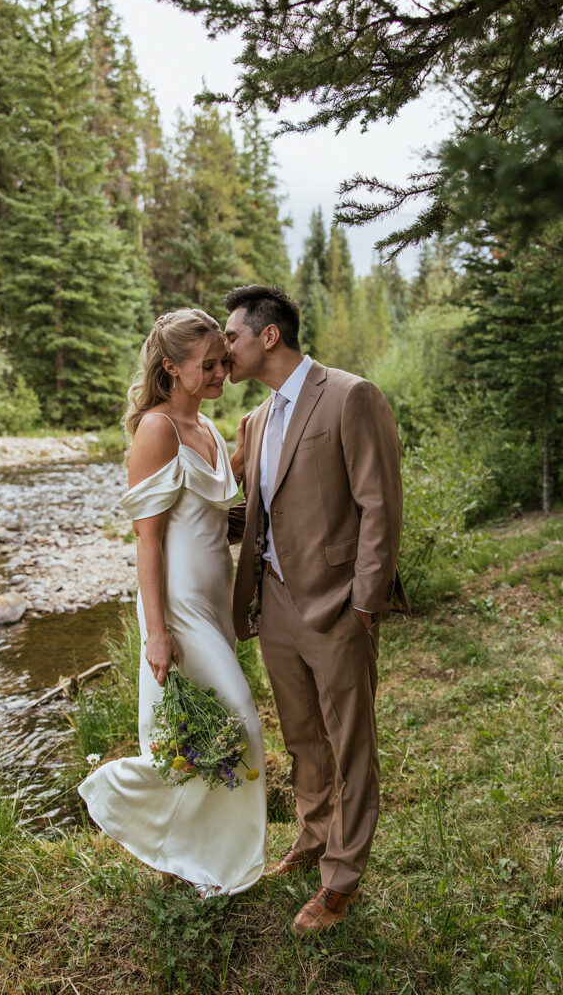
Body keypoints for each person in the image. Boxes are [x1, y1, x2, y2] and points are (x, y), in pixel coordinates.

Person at [224, 285, 409, 936]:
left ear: (268, 335)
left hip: (337, 604)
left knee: (349, 741)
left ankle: (341, 879)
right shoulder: (254, 420)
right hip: (273, 602)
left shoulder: (350, 396)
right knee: (302, 736)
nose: (225, 348)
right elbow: (256, 515)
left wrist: (363, 604)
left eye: (232, 336)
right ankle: (312, 835)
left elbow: (379, 504)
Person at [78, 309, 266, 897]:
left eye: (222, 362)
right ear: (170, 367)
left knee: (207, 732)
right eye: (207, 366)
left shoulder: (205, 425)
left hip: (214, 596)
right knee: (238, 721)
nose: (220, 373)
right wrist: (156, 632)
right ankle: (117, 794)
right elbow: (148, 539)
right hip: (179, 604)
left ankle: (196, 857)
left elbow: (214, 502)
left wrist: (243, 450)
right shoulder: (157, 429)